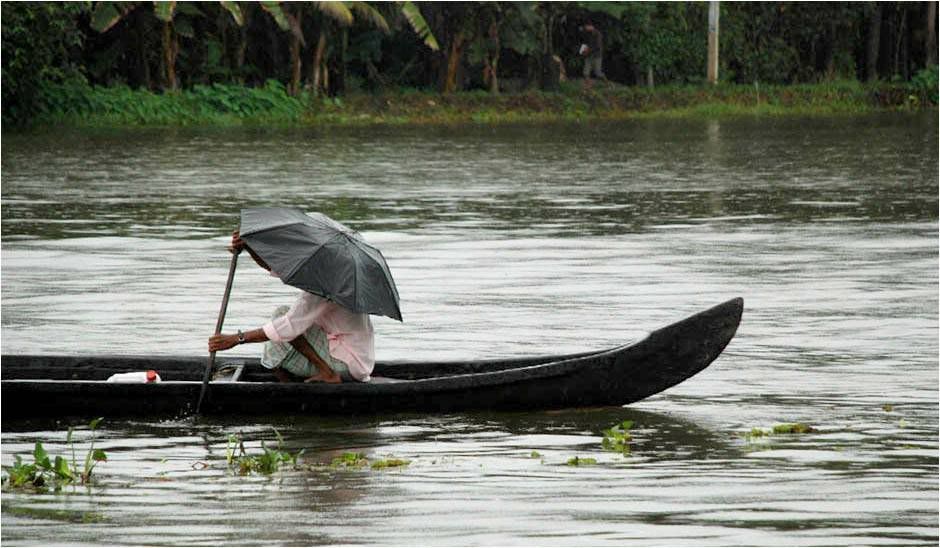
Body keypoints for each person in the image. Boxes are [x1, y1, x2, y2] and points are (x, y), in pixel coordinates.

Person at [207, 231, 375, 384]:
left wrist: (236, 339)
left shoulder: (328, 286)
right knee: (283, 324)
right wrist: (249, 247)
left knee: (282, 322)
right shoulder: (336, 275)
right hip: (353, 357)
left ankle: (314, 378)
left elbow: (289, 325)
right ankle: (299, 381)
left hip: (347, 363)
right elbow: (278, 269)